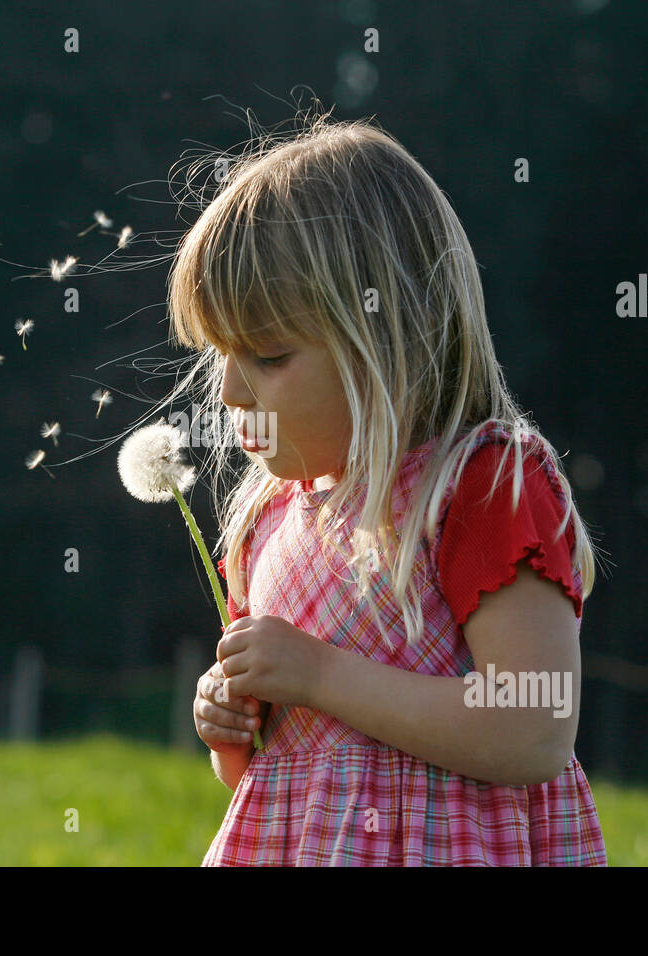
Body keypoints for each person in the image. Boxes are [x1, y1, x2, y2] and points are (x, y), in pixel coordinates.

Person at [165, 106, 607, 865]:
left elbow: (534, 727)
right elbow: (275, 776)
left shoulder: (478, 483)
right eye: (221, 355)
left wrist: (320, 674)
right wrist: (228, 725)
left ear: (386, 339)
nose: (231, 391)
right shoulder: (268, 523)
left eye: (268, 355)